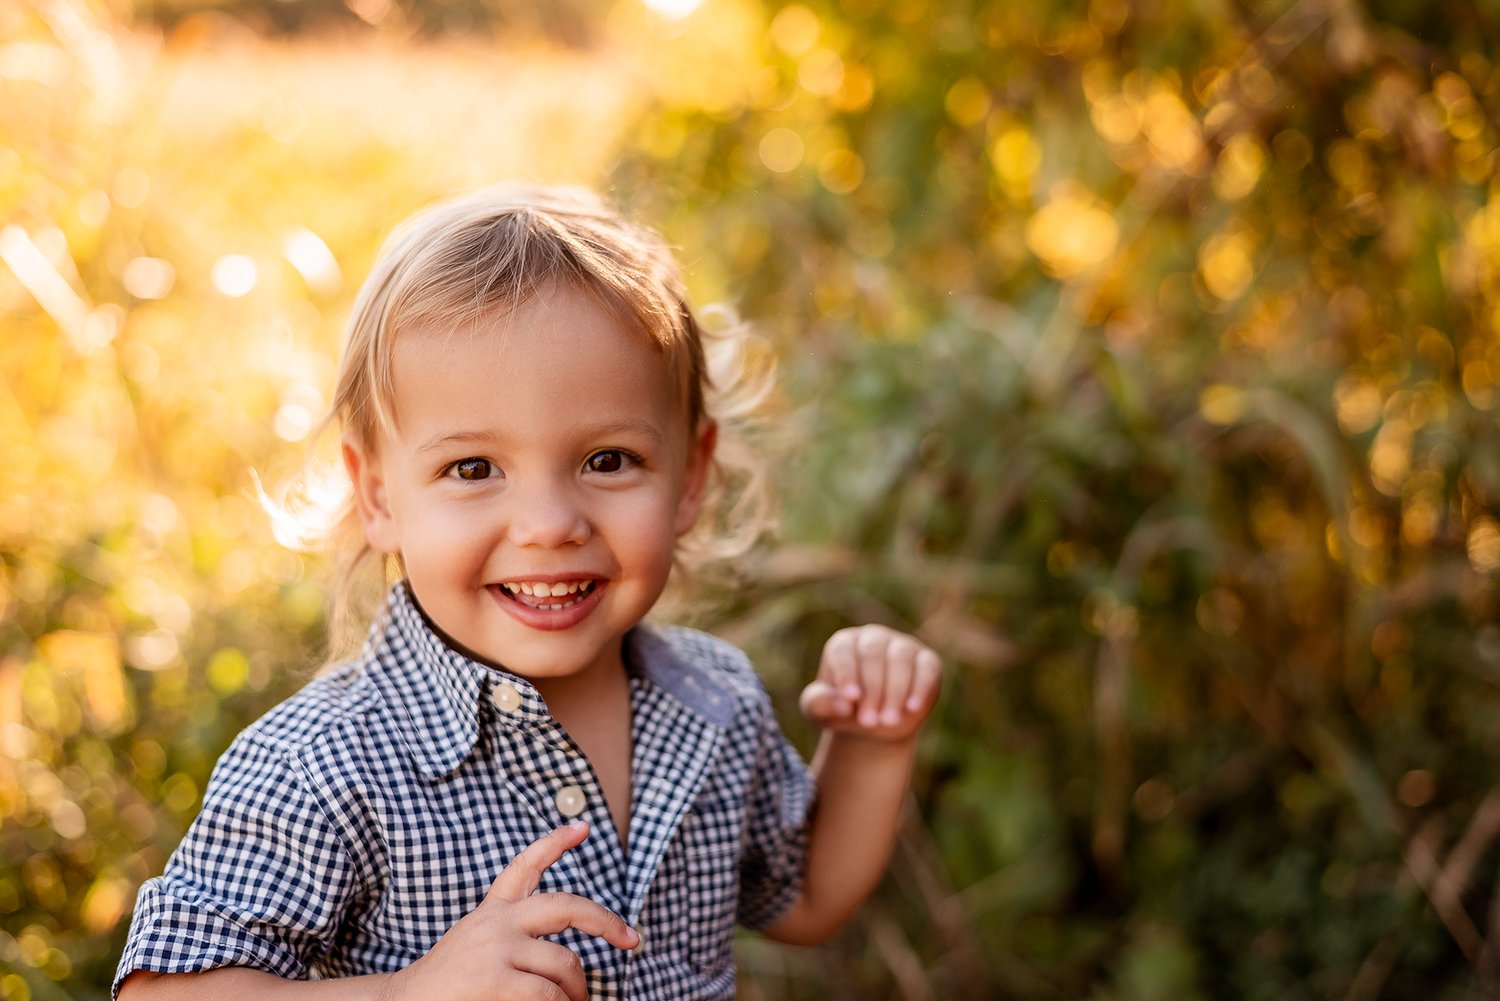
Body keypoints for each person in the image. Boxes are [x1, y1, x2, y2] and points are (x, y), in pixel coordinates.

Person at [114, 185, 942, 1001]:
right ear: (378, 497)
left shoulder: (715, 699)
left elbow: (803, 898)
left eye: (608, 459)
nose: (549, 524)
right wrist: (407, 994)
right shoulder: (325, 768)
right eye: (473, 469)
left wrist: (872, 739)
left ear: (691, 476)